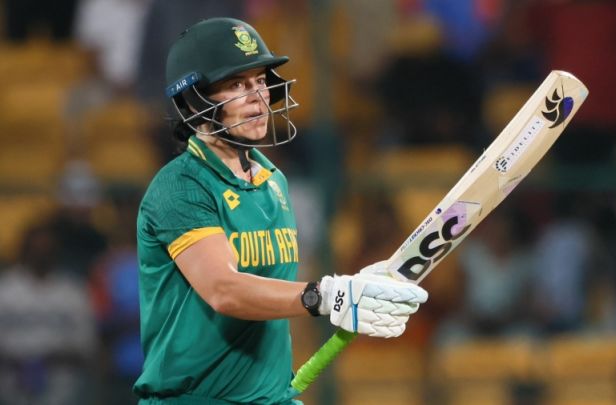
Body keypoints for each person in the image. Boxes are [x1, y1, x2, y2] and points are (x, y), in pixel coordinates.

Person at [133, 17, 428, 404]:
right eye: (237, 84)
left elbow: (277, 286)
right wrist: (326, 297)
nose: (258, 95)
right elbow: (224, 290)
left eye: (259, 81)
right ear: (194, 100)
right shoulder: (181, 185)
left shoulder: (274, 181)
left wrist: (352, 285)